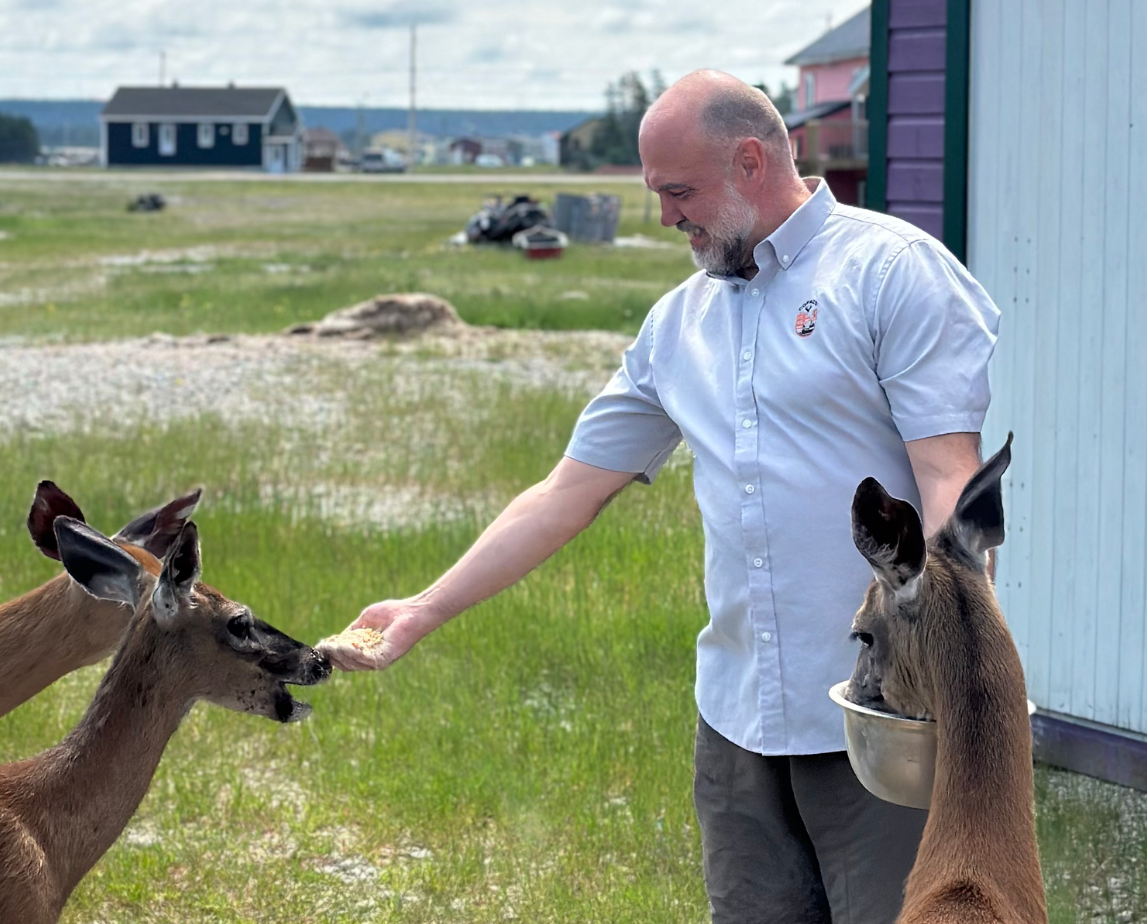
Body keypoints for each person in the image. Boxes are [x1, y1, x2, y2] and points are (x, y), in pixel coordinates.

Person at [320, 69, 1001, 924]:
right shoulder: (678, 326)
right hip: (736, 724)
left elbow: (950, 481)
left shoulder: (893, 273)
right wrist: (423, 608)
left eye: (679, 192)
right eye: (657, 194)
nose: (669, 216)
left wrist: (959, 673)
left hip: (882, 716)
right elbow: (564, 492)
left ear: (750, 160)